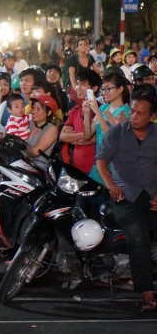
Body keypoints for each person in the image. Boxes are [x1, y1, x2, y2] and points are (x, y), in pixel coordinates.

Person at [95, 88, 157, 312]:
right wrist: (111, 185)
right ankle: (147, 294)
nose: (135, 116)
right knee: (138, 238)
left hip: (152, 195)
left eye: (141, 113)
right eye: (132, 111)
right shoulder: (117, 133)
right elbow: (101, 161)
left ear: (152, 116)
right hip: (124, 196)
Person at [83, 71, 130, 182]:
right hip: (98, 166)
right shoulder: (103, 108)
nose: (104, 92)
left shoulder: (125, 111)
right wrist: (86, 113)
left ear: (120, 89)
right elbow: (87, 135)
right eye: (103, 89)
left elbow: (111, 138)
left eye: (108, 89)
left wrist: (97, 112)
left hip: (113, 169)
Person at [60, 69, 101, 173]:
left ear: (95, 88)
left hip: (97, 167)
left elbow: (100, 137)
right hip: (77, 165)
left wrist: (73, 138)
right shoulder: (75, 111)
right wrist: (85, 136)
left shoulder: (101, 111)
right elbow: (62, 136)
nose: (78, 87)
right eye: (77, 83)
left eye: (83, 84)